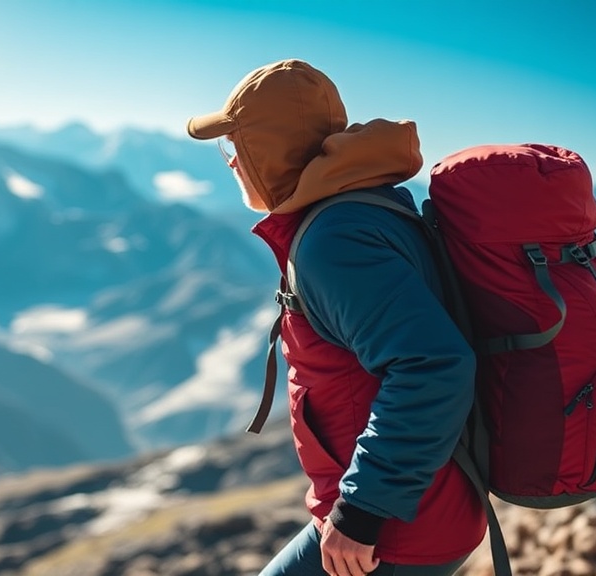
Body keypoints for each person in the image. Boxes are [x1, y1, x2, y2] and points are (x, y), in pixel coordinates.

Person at [185, 59, 487, 576]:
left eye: (237, 145)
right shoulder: (364, 208)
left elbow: (434, 364)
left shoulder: (336, 242)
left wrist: (362, 512)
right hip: (408, 505)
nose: (232, 162)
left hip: (392, 529)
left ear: (270, 151)